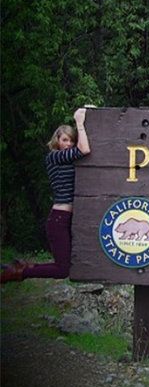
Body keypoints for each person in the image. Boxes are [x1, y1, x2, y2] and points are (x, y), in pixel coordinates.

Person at [1, 108, 91, 283]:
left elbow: (83, 147)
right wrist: (79, 121)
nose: (69, 144)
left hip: (66, 218)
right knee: (62, 269)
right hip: (59, 218)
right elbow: (85, 149)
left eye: (72, 141)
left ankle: (24, 267)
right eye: (65, 140)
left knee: (66, 265)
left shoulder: (67, 158)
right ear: (56, 140)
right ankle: (19, 272)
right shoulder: (54, 157)